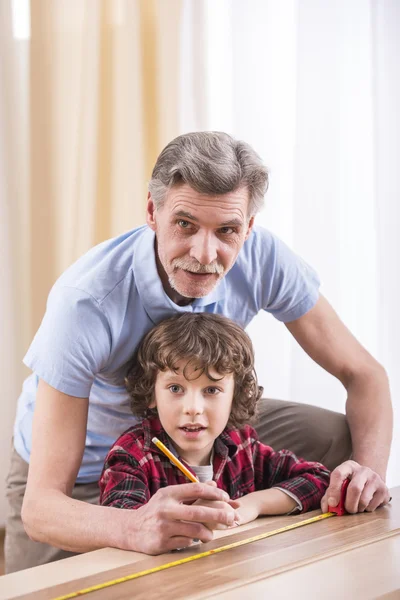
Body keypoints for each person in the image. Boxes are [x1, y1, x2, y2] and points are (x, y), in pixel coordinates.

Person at [5, 132, 392, 573]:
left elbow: (366, 375)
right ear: (153, 212)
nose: (204, 254)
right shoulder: (86, 302)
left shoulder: (262, 257)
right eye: (185, 224)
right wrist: (133, 526)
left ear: (248, 227)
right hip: (84, 471)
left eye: (226, 230)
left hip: (199, 433)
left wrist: (367, 474)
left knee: (331, 435)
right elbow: (41, 509)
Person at [99, 312, 331, 534]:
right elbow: (121, 522)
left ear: (235, 395)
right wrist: (190, 516)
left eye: (211, 389)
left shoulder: (241, 445)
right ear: (151, 393)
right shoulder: (132, 454)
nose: (193, 408)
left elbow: (319, 478)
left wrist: (252, 504)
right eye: (175, 388)